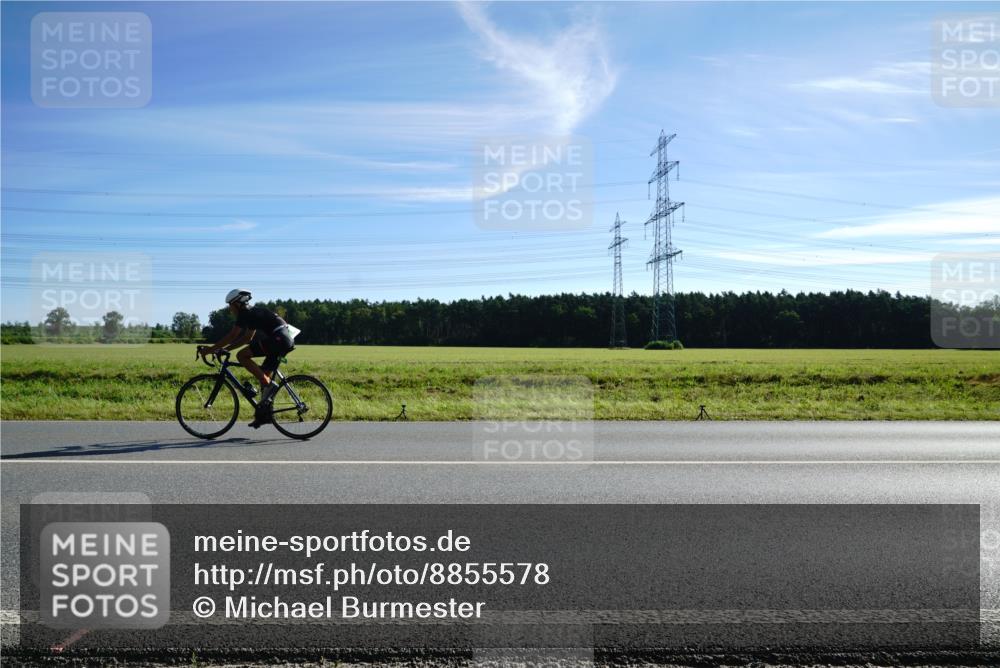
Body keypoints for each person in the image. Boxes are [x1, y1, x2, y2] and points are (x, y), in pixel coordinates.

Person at [198, 289, 295, 428]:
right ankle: (264, 415)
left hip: (278, 339)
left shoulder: (245, 314)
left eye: (230, 305)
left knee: (242, 356)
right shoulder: (252, 313)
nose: (229, 309)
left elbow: (232, 335)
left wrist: (210, 350)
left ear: (237, 304)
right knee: (265, 375)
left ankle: (268, 383)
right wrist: (224, 349)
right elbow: (247, 338)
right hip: (283, 340)